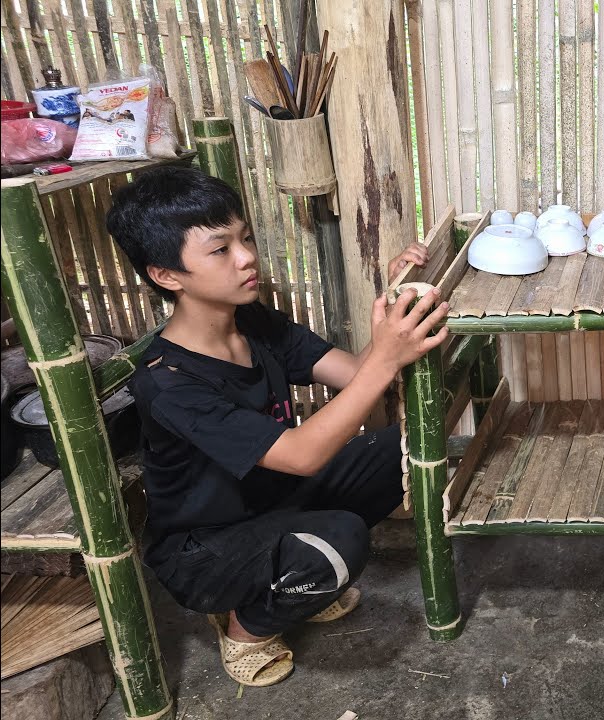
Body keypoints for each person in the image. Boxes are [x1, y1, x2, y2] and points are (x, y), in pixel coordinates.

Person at [106, 166, 449, 687]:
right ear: (166, 275)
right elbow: (302, 454)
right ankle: (246, 628)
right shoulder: (168, 382)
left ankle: (293, 574)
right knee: (341, 541)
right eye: (220, 250)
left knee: (398, 449)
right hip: (204, 551)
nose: (246, 257)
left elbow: (356, 375)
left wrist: (396, 302)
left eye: (244, 238)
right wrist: (385, 359)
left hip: (272, 504)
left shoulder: (253, 321)